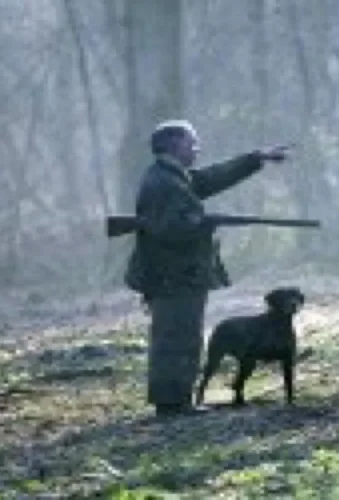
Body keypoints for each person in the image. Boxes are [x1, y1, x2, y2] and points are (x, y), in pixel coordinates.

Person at [124, 119, 290, 417]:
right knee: (176, 338)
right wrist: (204, 223)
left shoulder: (174, 177)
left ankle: (177, 401)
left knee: (182, 335)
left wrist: (254, 159)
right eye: (192, 143)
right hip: (171, 277)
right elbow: (171, 229)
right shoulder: (163, 182)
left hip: (177, 275)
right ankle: (172, 405)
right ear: (174, 144)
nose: (196, 149)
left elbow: (211, 178)